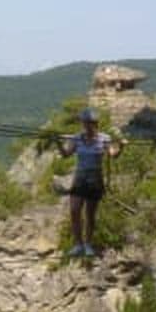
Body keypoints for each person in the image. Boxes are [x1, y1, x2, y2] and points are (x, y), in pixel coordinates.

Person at [54, 108, 125, 257]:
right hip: (80, 177)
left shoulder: (104, 139)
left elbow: (113, 155)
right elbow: (66, 154)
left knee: (90, 213)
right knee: (74, 210)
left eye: (89, 123)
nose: (86, 126)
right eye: (84, 123)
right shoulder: (76, 138)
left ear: (95, 124)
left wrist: (122, 146)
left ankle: (88, 244)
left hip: (95, 177)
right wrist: (58, 144)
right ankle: (78, 244)